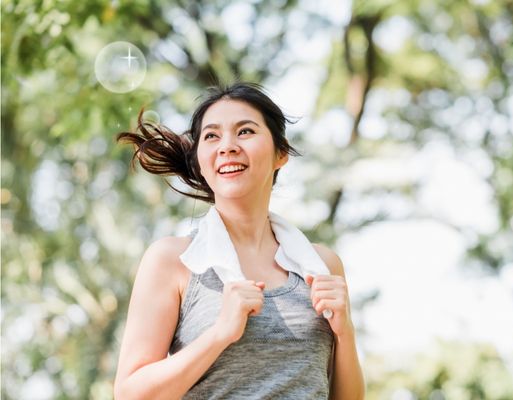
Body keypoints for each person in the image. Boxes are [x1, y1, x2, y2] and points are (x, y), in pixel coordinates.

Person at [113, 81, 365, 399]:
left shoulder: (322, 266)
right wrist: (220, 333)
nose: (227, 146)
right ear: (200, 162)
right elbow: (130, 394)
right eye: (212, 136)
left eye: (245, 131)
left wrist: (346, 332)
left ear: (281, 153)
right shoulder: (172, 260)